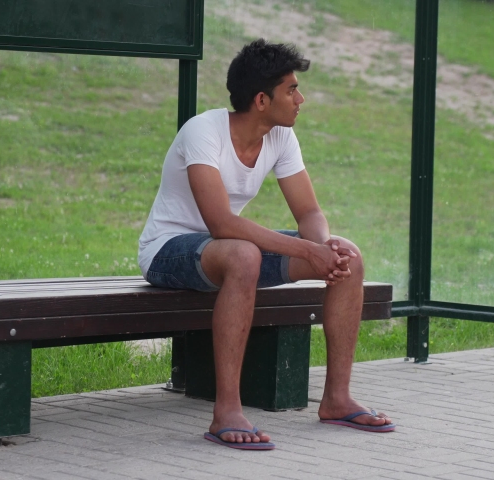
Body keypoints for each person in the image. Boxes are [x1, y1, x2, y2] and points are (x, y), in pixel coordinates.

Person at [138, 38, 395, 450]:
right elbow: (221, 222)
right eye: (291, 90)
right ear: (261, 100)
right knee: (244, 255)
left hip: (227, 250)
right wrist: (305, 251)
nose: (300, 99)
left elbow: (309, 212)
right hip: (168, 252)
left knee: (349, 256)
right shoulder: (202, 131)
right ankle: (226, 411)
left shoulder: (280, 138)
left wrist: (323, 248)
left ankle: (337, 399)